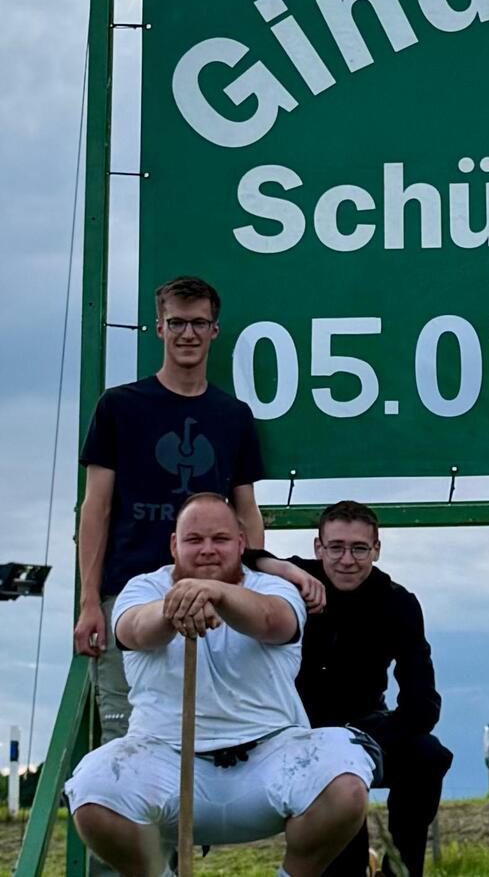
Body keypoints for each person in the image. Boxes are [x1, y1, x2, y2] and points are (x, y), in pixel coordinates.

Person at [64, 493, 374, 877]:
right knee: (92, 790)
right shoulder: (143, 588)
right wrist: (174, 607)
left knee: (345, 780)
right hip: (165, 757)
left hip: (269, 757)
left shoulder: (275, 588)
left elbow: (272, 622)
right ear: (174, 545)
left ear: (242, 544)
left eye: (220, 539)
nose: (208, 549)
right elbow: (134, 630)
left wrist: (215, 593)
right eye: (194, 539)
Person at [74, 275, 265, 751]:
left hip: (214, 599)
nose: (188, 334)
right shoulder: (119, 407)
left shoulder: (233, 415)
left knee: (214, 736)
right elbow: (95, 508)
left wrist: (257, 587)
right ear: (158, 328)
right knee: (127, 737)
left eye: (199, 323)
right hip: (131, 598)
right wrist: (89, 601)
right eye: (176, 322)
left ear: (214, 331)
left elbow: (247, 511)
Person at [247, 500, 453, 877]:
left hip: (366, 729)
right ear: (318, 548)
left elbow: (423, 702)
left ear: (376, 549)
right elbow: (236, 559)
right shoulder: (292, 581)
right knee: (344, 853)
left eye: (359, 548)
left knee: (428, 756)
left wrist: (364, 742)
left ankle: (402, 870)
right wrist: (278, 567)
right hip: (294, 731)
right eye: (336, 547)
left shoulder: (398, 602)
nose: (347, 560)